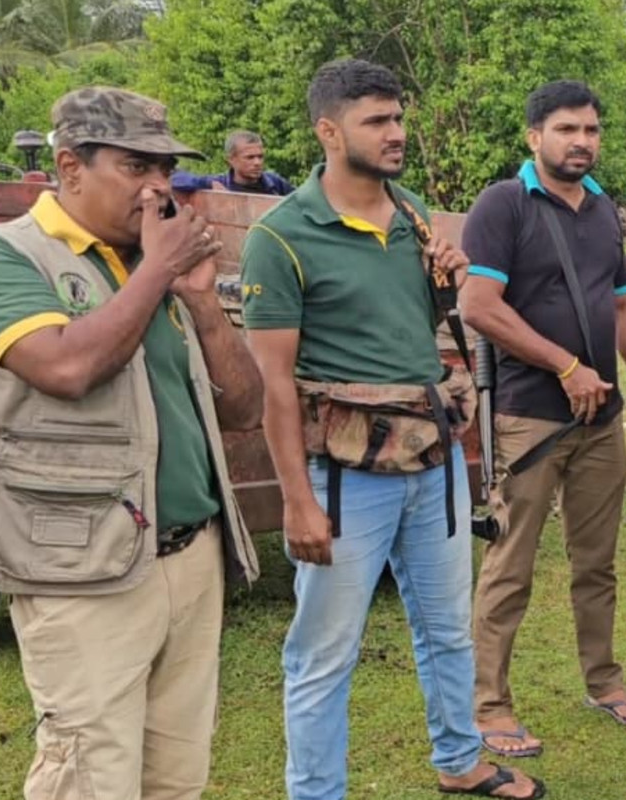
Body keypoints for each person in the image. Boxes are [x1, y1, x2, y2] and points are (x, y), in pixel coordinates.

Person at [0, 86, 262, 799]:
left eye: (165, 169)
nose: (158, 189)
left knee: (176, 778)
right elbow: (68, 368)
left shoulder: (156, 266)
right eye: (135, 167)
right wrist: (157, 272)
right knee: (88, 776)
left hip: (192, 556)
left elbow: (244, 409)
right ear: (70, 166)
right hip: (79, 571)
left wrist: (202, 300)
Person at [241, 58, 545, 800]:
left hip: (431, 457)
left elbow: (420, 331)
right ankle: (317, 792)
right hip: (346, 477)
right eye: (376, 120)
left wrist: (448, 275)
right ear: (328, 130)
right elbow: (274, 386)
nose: (396, 132)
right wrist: (297, 501)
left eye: (398, 117)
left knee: (447, 628)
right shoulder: (282, 237)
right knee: (324, 652)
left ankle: (460, 761)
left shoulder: (411, 213)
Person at [459, 79, 626, 760]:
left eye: (591, 130)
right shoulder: (503, 204)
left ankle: (604, 682)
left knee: (596, 562)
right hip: (529, 419)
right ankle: (490, 705)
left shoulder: (603, 210)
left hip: (601, 419)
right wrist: (565, 366)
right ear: (534, 137)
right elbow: (478, 306)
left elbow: (625, 305)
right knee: (510, 566)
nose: (582, 142)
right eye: (567, 129)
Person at [172, 129, 295, 195]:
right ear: (231, 160)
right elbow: (174, 178)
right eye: (250, 157)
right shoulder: (221, 183)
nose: (257, 162)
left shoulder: (275, 183)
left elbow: (301, 200)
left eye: (260, 157)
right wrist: (208, 183)